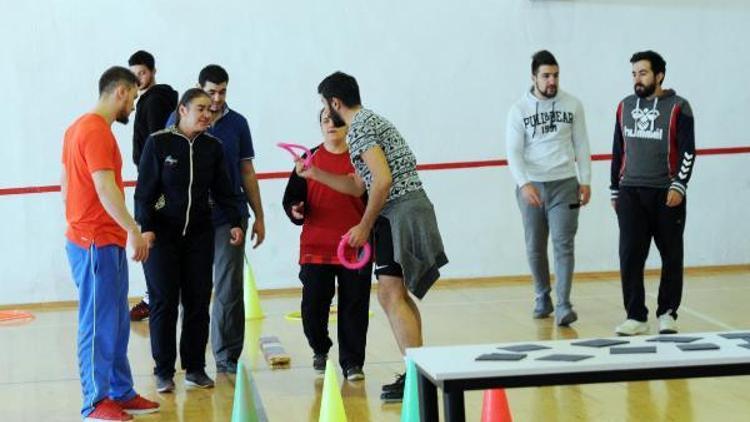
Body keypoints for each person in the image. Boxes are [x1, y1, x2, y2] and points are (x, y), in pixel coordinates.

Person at [299, 71, 448, 402]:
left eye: (326, 104)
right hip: (403, 211)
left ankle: (415, 376)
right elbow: (358, 184)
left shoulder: (362, 129)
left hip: (400, 213)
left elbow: (382, 182)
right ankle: (416, 372)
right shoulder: (367, 123)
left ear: (335, 103)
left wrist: (364, 226)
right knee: (394, 295)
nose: (326, 111)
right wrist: (315, 173)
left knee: (392, 295)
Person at [62, 66, 159, 421]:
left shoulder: (79, 128)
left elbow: (65, 186)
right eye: (132, 98)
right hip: (93, 243)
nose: (133, 107)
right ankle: (94, 402)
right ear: (120, 92)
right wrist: (133, 229)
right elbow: (105, 189)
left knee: (117, 320)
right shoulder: (93, 132)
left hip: (103, 240)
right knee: (97, 321)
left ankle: (120, 391)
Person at [134, 88, 244, 392]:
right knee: (164, 302)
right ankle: (164, 372)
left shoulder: (213, 147)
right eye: (201, 108)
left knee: (197, 302)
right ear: (183, 110)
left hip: (199, 235)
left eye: (210, 109)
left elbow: (224, 190)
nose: (207, 114)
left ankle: (195, 368)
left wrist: (235, 221)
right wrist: (147, 227)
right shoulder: (159, 143)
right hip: (162, 237)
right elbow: (144, 193)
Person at [166, 64, 265, 374]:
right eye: (211, 92)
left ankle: (226, 358)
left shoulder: (238, 124)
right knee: (191, 291)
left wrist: (259, 216)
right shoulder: (177, 121)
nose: (218, 99)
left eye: (223, 92)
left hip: (228, 217)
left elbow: (247, 171)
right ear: (199, 89)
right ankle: (191, 360)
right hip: (187, 220)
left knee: (228, 289)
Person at [282, 109, 372, 381]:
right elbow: (292, 199)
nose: (331, 125)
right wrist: (295, 209)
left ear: (347, 125)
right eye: (325, 121)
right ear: (320, 126)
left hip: (354, 247)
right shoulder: (307, 160)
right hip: (315, 248)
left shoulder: (362, 159)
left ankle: (353, 363)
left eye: (337, 120)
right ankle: (320, 348)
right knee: (312, 307)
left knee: (354, 307)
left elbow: (370, 197)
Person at [611, 50, 695, 336]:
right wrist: (615, 189)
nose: (637, 78)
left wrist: (679, 185)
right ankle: (635, 316)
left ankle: (667, 313)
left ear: (659, 75)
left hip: (666, 194)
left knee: (671, 255)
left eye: (643, 72)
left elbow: (687, 150)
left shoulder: (679, 107)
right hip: (630, 193)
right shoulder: (624, 106)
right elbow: (618, 151)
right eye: (634, 73)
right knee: (630, 255)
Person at [505, 50, 592, 326]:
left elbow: (581, 144)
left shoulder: (573, 105)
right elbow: (513, 151)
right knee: (535, 246)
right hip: (532, 186)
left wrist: (585, 179)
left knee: (563, 244)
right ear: (534, 77)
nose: (551, 81)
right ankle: (543, 297)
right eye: (545, 76)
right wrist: (524, 183)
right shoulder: (518, 110)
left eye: (555, 75)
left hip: (565, 184)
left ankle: (565, 305)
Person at [127, 50, 178, 321]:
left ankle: (153, 297)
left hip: (155, 183)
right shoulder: (155, 99)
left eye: (142, 74)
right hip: (157, 181)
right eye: (133, 76)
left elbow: (154, 145)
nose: (138, 80)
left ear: (153, 71)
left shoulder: (155, 101)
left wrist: (151, 180)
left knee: (151, 234)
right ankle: (158, 295)